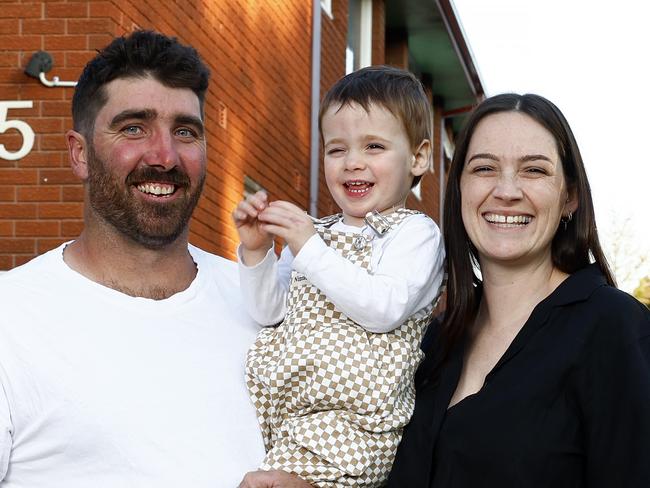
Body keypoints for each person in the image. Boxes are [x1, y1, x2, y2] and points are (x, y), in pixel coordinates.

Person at [0, 30, 265, 487]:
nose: (164, 157)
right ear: (79, 154)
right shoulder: (12, 318)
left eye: (185, 131)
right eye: (133, 128)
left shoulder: (264, 303)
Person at [387, 93, 650, 486]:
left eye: (534, 171)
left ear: (570, 198)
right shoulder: (431, 342)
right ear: (459, 190)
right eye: (484, 168)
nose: (506, 190)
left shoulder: (613, 328)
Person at [233, 66, 445, 486]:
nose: (353, 163)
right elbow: (269, 310)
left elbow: (383, 307)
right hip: (286, 413)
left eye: (374, 146)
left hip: (353, 424)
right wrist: (257, 252)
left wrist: (308, 248)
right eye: (336, 150)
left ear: (418, 157)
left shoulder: (413, 234)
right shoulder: (317, 234)